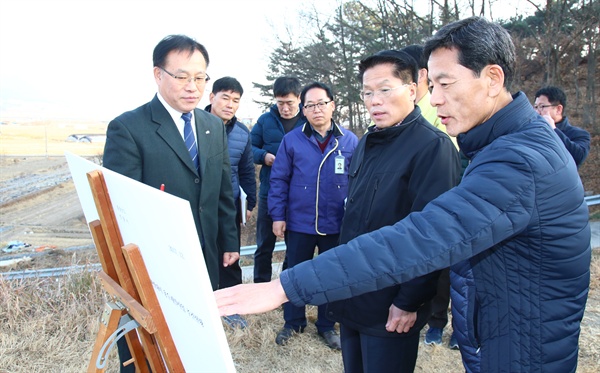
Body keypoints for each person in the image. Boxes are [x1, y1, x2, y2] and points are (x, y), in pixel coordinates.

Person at [215, 17, 591, 373]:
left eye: (446, 84)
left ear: (492, 78)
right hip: (504, 333)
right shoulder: (497, 145)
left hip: (523, 348)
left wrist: (286, 286)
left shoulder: (519, 160)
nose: (436, 99)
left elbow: (421, 237)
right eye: (434, 86)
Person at [103, 34, 239, 372]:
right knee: (146, 349)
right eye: (182, 76)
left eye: (200, 77)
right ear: (158, 75)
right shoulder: (129, 128)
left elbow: (222, 190)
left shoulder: (211, 126)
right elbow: (121, 209)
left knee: (193, 343)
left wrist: (229, 241)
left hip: (203, 254)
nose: (192, 86)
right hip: (151, 264)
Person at [323, 51, 460, 372]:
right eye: (367, 92)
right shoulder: (367, 141)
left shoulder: (432, 147)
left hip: (391, 305)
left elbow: (433, 237)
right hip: (354, 292)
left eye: (385, 90)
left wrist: (409, 301)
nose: (374, 101)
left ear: (412, 90)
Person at [269, 81, 358, 350]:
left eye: (322, 103)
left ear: (332, 105)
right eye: (310, 105)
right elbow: (279, 179)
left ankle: (327, 324)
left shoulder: (350, 140)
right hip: (300, 221)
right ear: (303, 110)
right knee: (294, 272)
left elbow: (358, 183)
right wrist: (277, 216)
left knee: (333, 275)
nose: (317, 109)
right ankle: (293, 321)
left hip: (336, 222)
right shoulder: (292, 140)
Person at [401, 44, 459, 350]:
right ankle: (426, 319)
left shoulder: (439, 109)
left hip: (446, 196)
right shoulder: (403, 113)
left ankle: (447, 325)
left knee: (448, 269)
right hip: (412, 200)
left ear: (421, 76)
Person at [205, 76, 257, 329]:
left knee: (230, 257)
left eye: (235, 100)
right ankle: (203, 307)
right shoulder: (193, 124)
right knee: (201, 256)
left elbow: (246, 169)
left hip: (231, 205)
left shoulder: (241, 133)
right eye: (224, 97)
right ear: (211, 97)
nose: (230, 104)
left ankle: (232, 309)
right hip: (199, 205)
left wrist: (250, 199)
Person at [251, 76, 307, 283]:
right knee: (264, 244)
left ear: (299, 99)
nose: (285, 108)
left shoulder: (307, 120)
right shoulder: (265, 121)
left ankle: (286, 288)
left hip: (299, 194)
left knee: (294, 245)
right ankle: (260, 287)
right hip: (269, 191)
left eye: (290, 103)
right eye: (280, 103)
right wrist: (264, 157)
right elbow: (250, 148)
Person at [401, 44, 458, 150]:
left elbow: (448, 157)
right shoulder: (386, 113)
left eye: (402, 74)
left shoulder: (441, 113)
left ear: (421, 74)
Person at [534, 86, 591, 167]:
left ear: (558, 109)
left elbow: (578, 157)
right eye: (536, 107)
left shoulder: (579, 134)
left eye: (542, 106)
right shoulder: (532, 131)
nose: (537, 112)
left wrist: (553, 130)